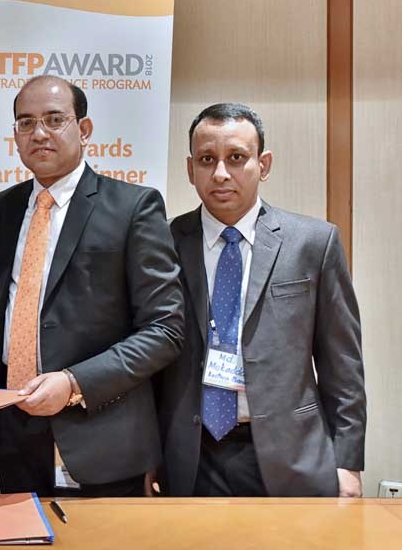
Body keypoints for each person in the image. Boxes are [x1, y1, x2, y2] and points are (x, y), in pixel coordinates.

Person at [0, 75, 184, 496]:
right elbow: (2, 304)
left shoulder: (134, 207)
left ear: (84, 129)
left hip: (101, 436)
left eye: (54, 119)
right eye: (26, 123)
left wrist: (75, 383)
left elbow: (165, 330)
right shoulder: (5, 208)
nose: (39, 132)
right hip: (16, 429)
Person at [153, 102, 365, 497]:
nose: (220, 173)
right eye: (206, 159)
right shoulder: (162, 244)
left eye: (236, 158)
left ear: (263, 164)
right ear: (190, 168)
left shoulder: (314, 244)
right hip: (190, 458)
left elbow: (343, 367)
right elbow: (149, 366)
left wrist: (348, 463)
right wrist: (148, 458)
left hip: (292, 456)